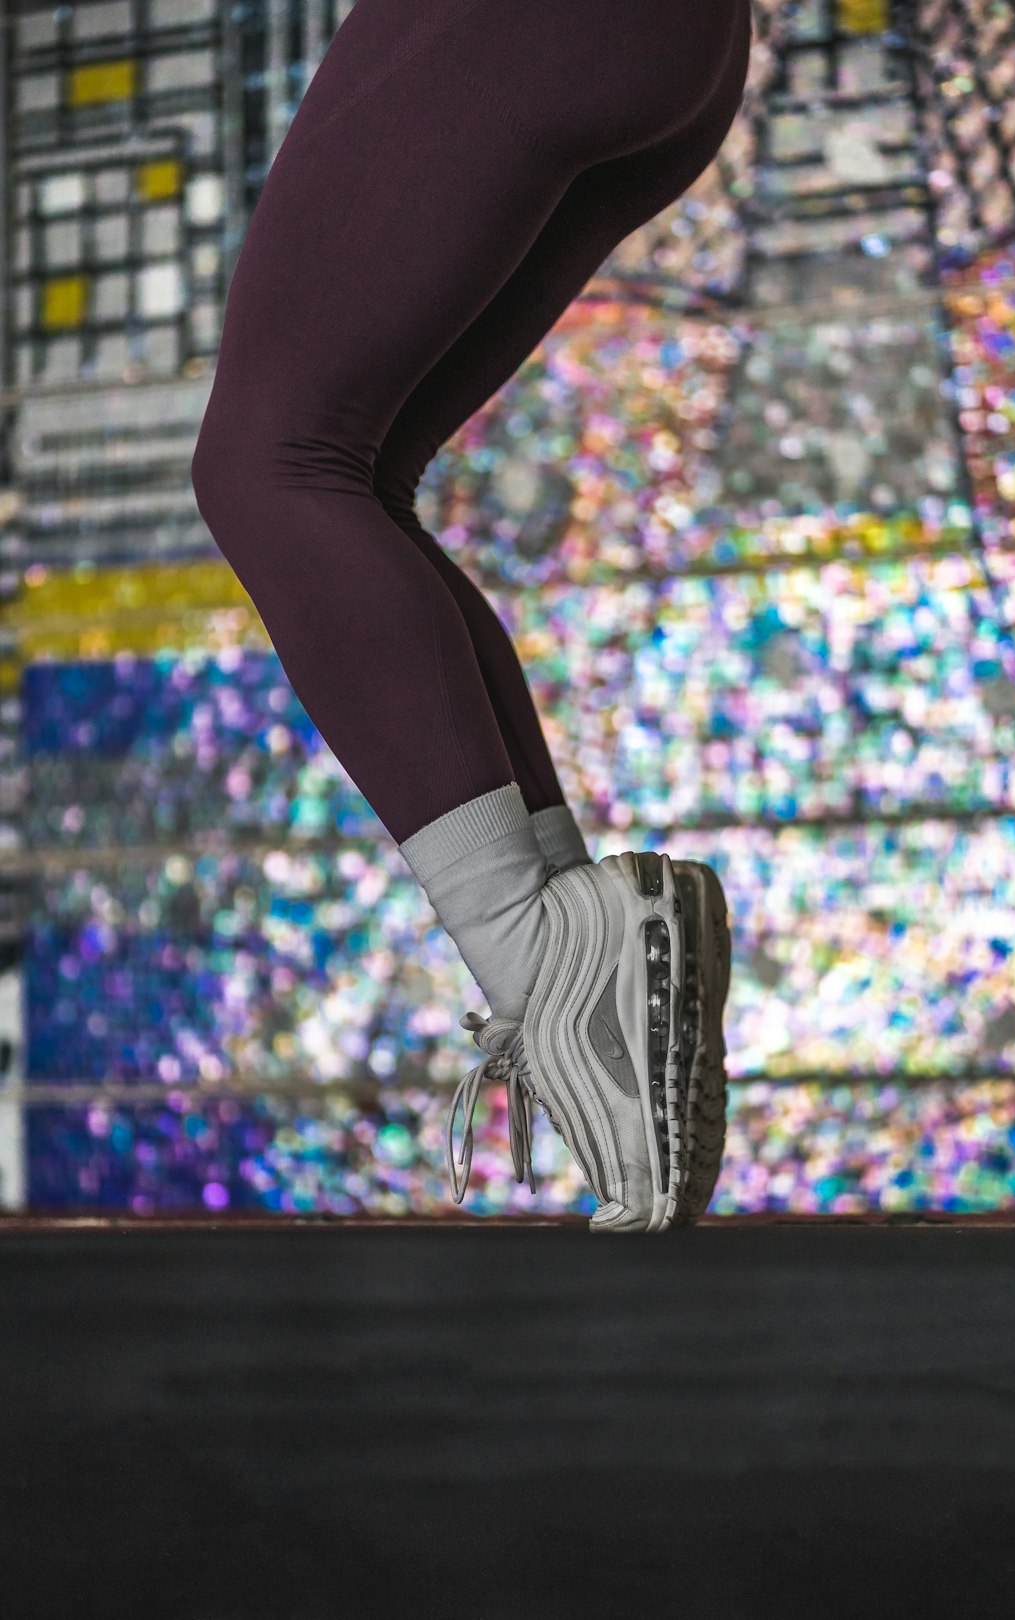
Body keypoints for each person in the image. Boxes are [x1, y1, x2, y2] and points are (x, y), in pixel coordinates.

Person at [190, 0, 751, 1230]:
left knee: (270, 464)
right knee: (352, 475)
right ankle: (579, 973)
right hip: (679, 48)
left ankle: (543, 958)